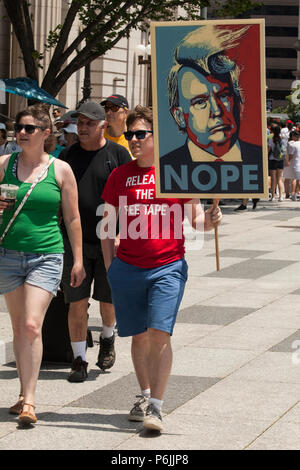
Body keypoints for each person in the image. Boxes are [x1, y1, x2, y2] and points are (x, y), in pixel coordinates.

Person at [101, 105, 222, 432]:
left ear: (157, 137)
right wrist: (112, 267)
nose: (134, 140)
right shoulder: (119, 176)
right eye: (130, 135)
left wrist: (209, 221)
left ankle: (156, 406)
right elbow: (107, 227)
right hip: (127, 268)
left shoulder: (176, 172)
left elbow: (195, 220)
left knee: (159, 334)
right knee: (138, 338)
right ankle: (143, 396)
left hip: (167, 267)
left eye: (141, 134)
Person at [0, 105, 85, 426]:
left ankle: (30, 401)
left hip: (47, 255)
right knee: (20, 326)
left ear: (46, 133)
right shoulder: (4, 165)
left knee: (33, 325)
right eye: (19, 128)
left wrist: (78, 259)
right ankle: (23, 392)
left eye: (29, 129)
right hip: (8, 255)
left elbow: (74, 217)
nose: (21, 133)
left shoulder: (60, 170)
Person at [59, 100, 131, 382]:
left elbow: (128, 199)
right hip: (74, 242)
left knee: (107, 299)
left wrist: (123, 235)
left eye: (90, 123)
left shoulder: (118, 154)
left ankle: (108, 337)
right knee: (76, 301)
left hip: (110, 241)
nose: (83, 127)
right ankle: (79, 359)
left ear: (103, 125)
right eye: (81, 122)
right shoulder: (67, 155)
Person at [160, 24, 263, 195]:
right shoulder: (167, 167)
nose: (217, 110)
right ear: (178, 116)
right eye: (200, 102)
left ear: (237, 100)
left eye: (224, 95)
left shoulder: (257, 159)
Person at [268, 125, 284, 201]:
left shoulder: (271, 139)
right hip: (280, 160)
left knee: (273, 178)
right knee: (279, 179)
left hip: (272, 159)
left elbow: (269, 149)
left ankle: (273, 196)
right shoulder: (282, 139)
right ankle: (281, 196)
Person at [288, 130, 300, 201]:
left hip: (296, 164)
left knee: (295, 179)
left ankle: (294, 194)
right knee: (298, 180)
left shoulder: (293, 145)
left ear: (294, 136)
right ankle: (296, 193)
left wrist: (288, 161)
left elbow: (290, 156)